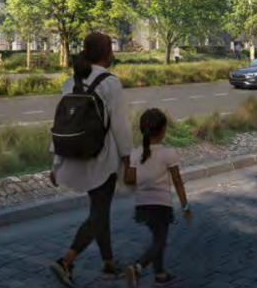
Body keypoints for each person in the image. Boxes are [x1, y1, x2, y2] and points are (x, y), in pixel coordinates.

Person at [49, 32, 132, 286]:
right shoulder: (111, 83)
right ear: (107, 53)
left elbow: (60, 123)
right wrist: (129, 161)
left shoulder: (70, 82)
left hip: (74, 155)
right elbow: (121, 126)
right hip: (102, 161)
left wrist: (55, 163)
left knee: (100, 211)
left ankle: (108, 263)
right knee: (98, 214)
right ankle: (66, 261)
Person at [124, 108, 191, 287]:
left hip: (142, 205)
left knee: (157, 239)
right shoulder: (168, 153)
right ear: (162, 131)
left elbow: (129, 179)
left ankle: (160, 275)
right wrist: (185, 207)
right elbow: (177, 182)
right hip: (161, 205)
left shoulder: (136, 153)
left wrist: (144, 175)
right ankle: (138, 266)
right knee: (160, 242)